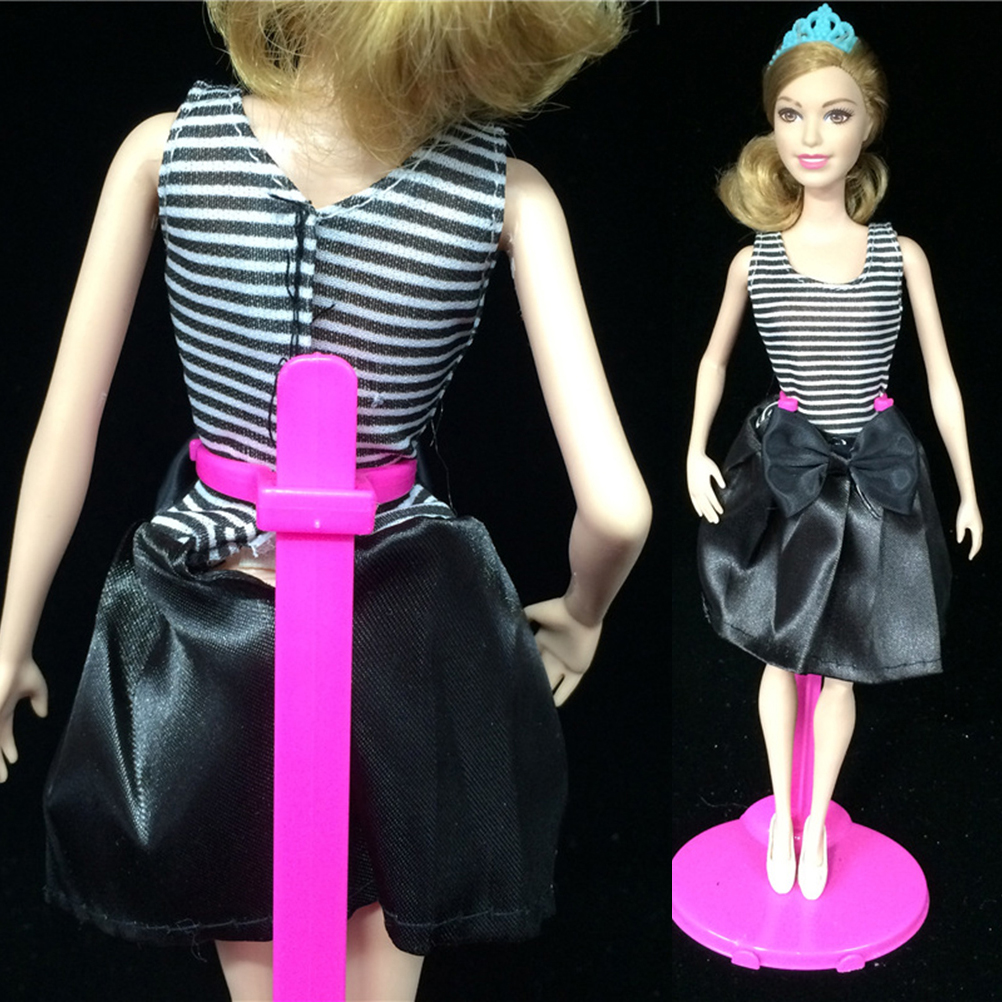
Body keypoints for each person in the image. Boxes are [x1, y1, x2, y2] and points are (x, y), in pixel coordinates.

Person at [0, 3, 651, 999]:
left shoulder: (164, 153)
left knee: (257, 957)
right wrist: (583, 612)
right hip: (402, 622)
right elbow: (619, 510)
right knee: (384, 961)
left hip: (217, 622)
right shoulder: (508, 195)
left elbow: (64, 428)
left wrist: (11, 635)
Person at [686, 4, 981, 902]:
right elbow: (713, 360)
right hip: (789, 471)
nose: (812, 136)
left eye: (836, 113)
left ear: (869, 124)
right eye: (792, 114)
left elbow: (943, 378)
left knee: (843, 666)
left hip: (873, 477)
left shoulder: (902, 256)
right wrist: (694, 450)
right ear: (772, 126)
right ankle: (785, 811)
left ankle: (816, 824)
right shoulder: (755, 260)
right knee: (781, 657)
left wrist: (970, 490)